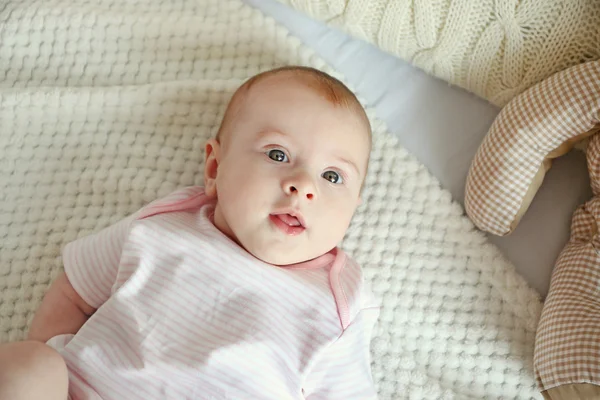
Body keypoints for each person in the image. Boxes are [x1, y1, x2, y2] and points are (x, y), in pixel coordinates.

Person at [0, 66, 379, 399]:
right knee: (29, 365)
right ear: (215, 168)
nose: (303, 185)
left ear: (353, 207)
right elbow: (75, 291)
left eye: (332, 176)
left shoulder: (335, 303)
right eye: (277, 154)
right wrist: (46, 365)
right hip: (86, 389)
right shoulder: (164, 227)